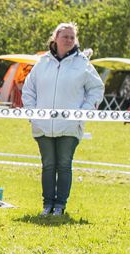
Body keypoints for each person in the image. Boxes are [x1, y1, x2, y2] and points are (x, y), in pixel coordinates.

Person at [21, 22, 104, 216]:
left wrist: (82, 113)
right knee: (48, 164)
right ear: (55, 38)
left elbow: (96, 89)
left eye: (71, 37)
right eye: (64, 36)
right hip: (42, 125)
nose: (68, 40)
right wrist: (33, 114)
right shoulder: (42, 63)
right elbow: (28, 89)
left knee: (64, 164)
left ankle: (60, 206)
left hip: (70, 126)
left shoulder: (83, 63)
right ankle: (47, 204)